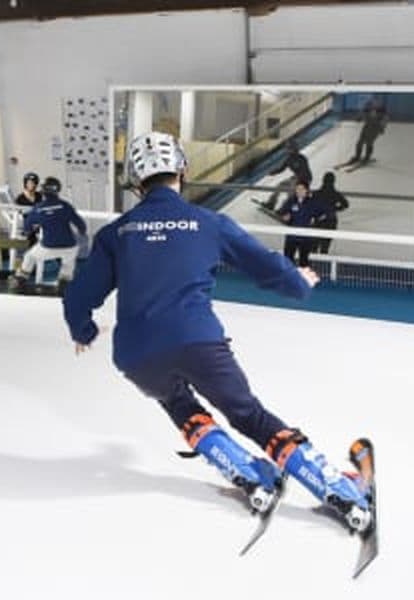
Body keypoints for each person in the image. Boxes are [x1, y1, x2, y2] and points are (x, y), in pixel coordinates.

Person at [62, 131, 371, 530]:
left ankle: (245, 471)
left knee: (176, 401)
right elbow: (263, 265)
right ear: (182, 171)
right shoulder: (208, 223)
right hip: (198, 341)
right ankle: (341, 492)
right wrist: (297, 282)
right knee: (249, 415)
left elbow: (78, 297)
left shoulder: (116, 233)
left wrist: (83, 331)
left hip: (136, 355)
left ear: (135, 182)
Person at [12, 176, 87, 288]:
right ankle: (64, 282)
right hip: (70, 246)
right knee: (68, 263)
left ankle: (21, 280)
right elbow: (82, 226)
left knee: (29, 256)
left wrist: (29, 231)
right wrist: (82, 234)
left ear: (43, 191)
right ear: (58, 190)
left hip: (49, 246)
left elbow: (27, 227)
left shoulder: (38, 208)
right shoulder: (65, 206)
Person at [261, 139, 312, 211]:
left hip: (305, 179)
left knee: (290, 192)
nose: (288, 151)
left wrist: (298, 182)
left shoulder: (301, 158)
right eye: (288, 149)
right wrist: (273, 172)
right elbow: (281, 168)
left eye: (290, 149)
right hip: (296, 178)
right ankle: (271, 203)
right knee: (281, 185)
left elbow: (304, 171)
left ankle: (284, 209)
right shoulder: (288, 159)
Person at [278, 180, 318, 267]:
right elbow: (282, 213)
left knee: (304, 262)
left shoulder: (312, 202)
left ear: (306, 190)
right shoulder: (290, 201)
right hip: (291, 236)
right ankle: (289, 275)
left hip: (305, 237)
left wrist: (315, 221)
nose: (299, 191)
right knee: (288, 260)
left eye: (302, 189)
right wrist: (285, 217)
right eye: (297, 189)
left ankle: (303, 276)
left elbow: (322, 214)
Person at [311, 172, 349, 254]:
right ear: (333, 181)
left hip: (318, 221)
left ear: (323, 180)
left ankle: (313, 261)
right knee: (325, 248)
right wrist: (334, 209)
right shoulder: (336, 194)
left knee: (313, 247)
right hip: (330, 222)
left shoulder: (316, 193)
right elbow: (346, 205)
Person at [350, 98, 388, 165]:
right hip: (366, 127)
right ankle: (357, 156)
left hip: (375, 128)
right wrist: (358, 118)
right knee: (359, 142)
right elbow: (360, 116)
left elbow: (384, 119)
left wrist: (382, 128)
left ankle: (367, 157)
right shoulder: (367, 110)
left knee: (369, 143)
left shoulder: (381, 112)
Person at [15, 172, 43, 247]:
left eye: (33, 183)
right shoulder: (20, 198)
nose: (31, 185)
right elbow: (19, 213)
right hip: (28, 223)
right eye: (29, 183)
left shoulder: (39, 195)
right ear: (25, 184)